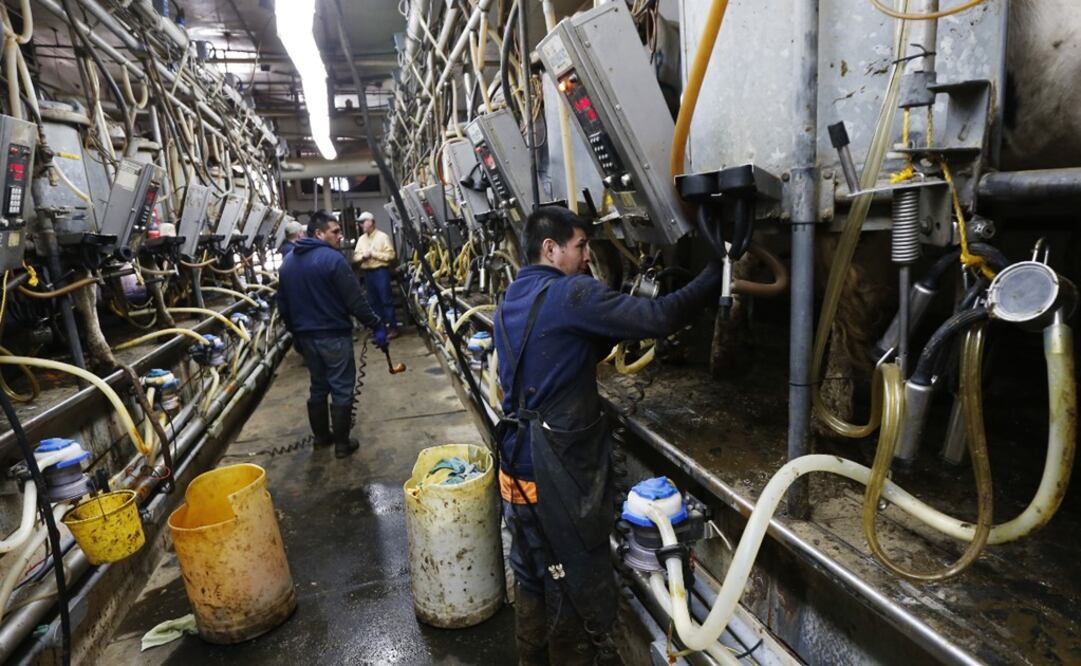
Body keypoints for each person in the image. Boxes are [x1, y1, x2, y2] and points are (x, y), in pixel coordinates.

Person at [495, 206, 721, 665]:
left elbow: (561, 347)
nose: (586, 257)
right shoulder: (570, 293)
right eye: (580, 246)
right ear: (550, 249)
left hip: (515, 472)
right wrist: (716, 272)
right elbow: (659, 316)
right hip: (556, 478)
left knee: (533, 575)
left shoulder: (512, 297)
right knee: (573, 587)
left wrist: (610, 317)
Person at [278, 210, 389, 458]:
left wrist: (295, 334)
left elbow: (283, 306)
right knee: (341, 387)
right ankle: (341, 445)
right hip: (333, 336)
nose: (340, 236)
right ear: (319, 233)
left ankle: (321, 438)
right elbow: (355, 301)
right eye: (335, 232)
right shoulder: (333, 260)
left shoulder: (288, 263)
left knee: (318, 386)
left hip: (306, 338)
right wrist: (376, 324)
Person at [352, 211, 400, 339]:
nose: (361, 225)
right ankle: (380, 329)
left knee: (386, 300)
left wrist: (374, 254)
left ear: (371, 222)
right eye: (360, 223)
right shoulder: (361, 239)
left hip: (381, 272)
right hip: (368, 273)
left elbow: (391, 255)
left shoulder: (382, 237)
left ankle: (393, 328)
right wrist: (363, 257)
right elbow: (355, 257)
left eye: (363, 222)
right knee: (373, 302)